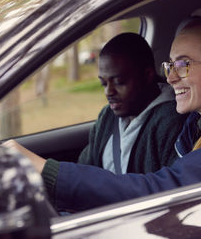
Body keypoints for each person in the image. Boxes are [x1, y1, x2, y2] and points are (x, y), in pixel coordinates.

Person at [4, 7, 201, 212]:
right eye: (170, 64)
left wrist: (44, 170)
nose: (169, 77)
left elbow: (161, 192)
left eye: (183, 64)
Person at [78, 32, 187, 174]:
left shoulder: (172, 121)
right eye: (103, 83)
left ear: (147, 75)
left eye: (119, 82)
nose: (109, 92)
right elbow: (84, 171)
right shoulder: (107, 116)